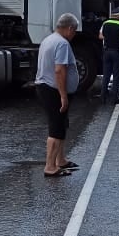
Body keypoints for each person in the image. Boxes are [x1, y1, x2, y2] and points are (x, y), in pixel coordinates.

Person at [34, 13, 81, 177]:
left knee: (61, 125)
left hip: (45, 87)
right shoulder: (62, 44)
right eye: (74, 30)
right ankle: (50, 166)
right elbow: (59, 70)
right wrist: (63, 95)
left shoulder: (49, 39)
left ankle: (60, 160)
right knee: (56, 128)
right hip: (52, 90)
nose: (74, 34)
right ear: (69, 28)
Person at [99, 9, 119, 104]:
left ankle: (103, 97)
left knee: (106, 75)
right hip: (116, 52)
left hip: (106, 51)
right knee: (116, 75)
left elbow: (100, 36)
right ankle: (114, 98)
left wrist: (108, 38)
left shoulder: (105, 23)